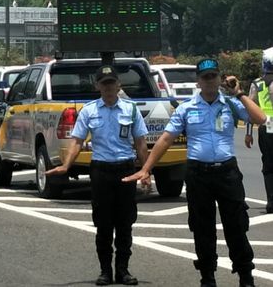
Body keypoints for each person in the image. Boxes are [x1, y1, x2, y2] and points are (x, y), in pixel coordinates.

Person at [124, 58, 266, 287]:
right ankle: (207, 276)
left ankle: (245, 276)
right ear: (198, 82)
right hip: (198, 174)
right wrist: (146, 168)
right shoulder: (187, 108)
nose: (210, 81)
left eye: (213, 76)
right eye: (205, 77)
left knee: (237, 225)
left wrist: (239, 93)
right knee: (202, 227)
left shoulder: (230, 104)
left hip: (227, 173)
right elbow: (166, 139)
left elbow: (261, 119)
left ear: (220, 79)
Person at [46, 64, 147, 285]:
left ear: (118, 85)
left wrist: (145, 170)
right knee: (103, 224)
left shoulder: (131, 110)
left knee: (125, 223)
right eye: (104, 84)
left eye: (112, 83)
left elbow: (140, 143)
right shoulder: (89, 110)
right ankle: (105, 271)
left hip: (125, 170)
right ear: (98, 86)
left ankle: (123, 270)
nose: (109, 88)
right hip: (101, 170)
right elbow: (77, 141)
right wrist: (66, 165)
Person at [245, 47, 273, 213]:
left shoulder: (258, 84)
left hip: (266, 126)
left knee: (269, 165)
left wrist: (248, 133)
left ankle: (271, 201)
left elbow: (249, 110)